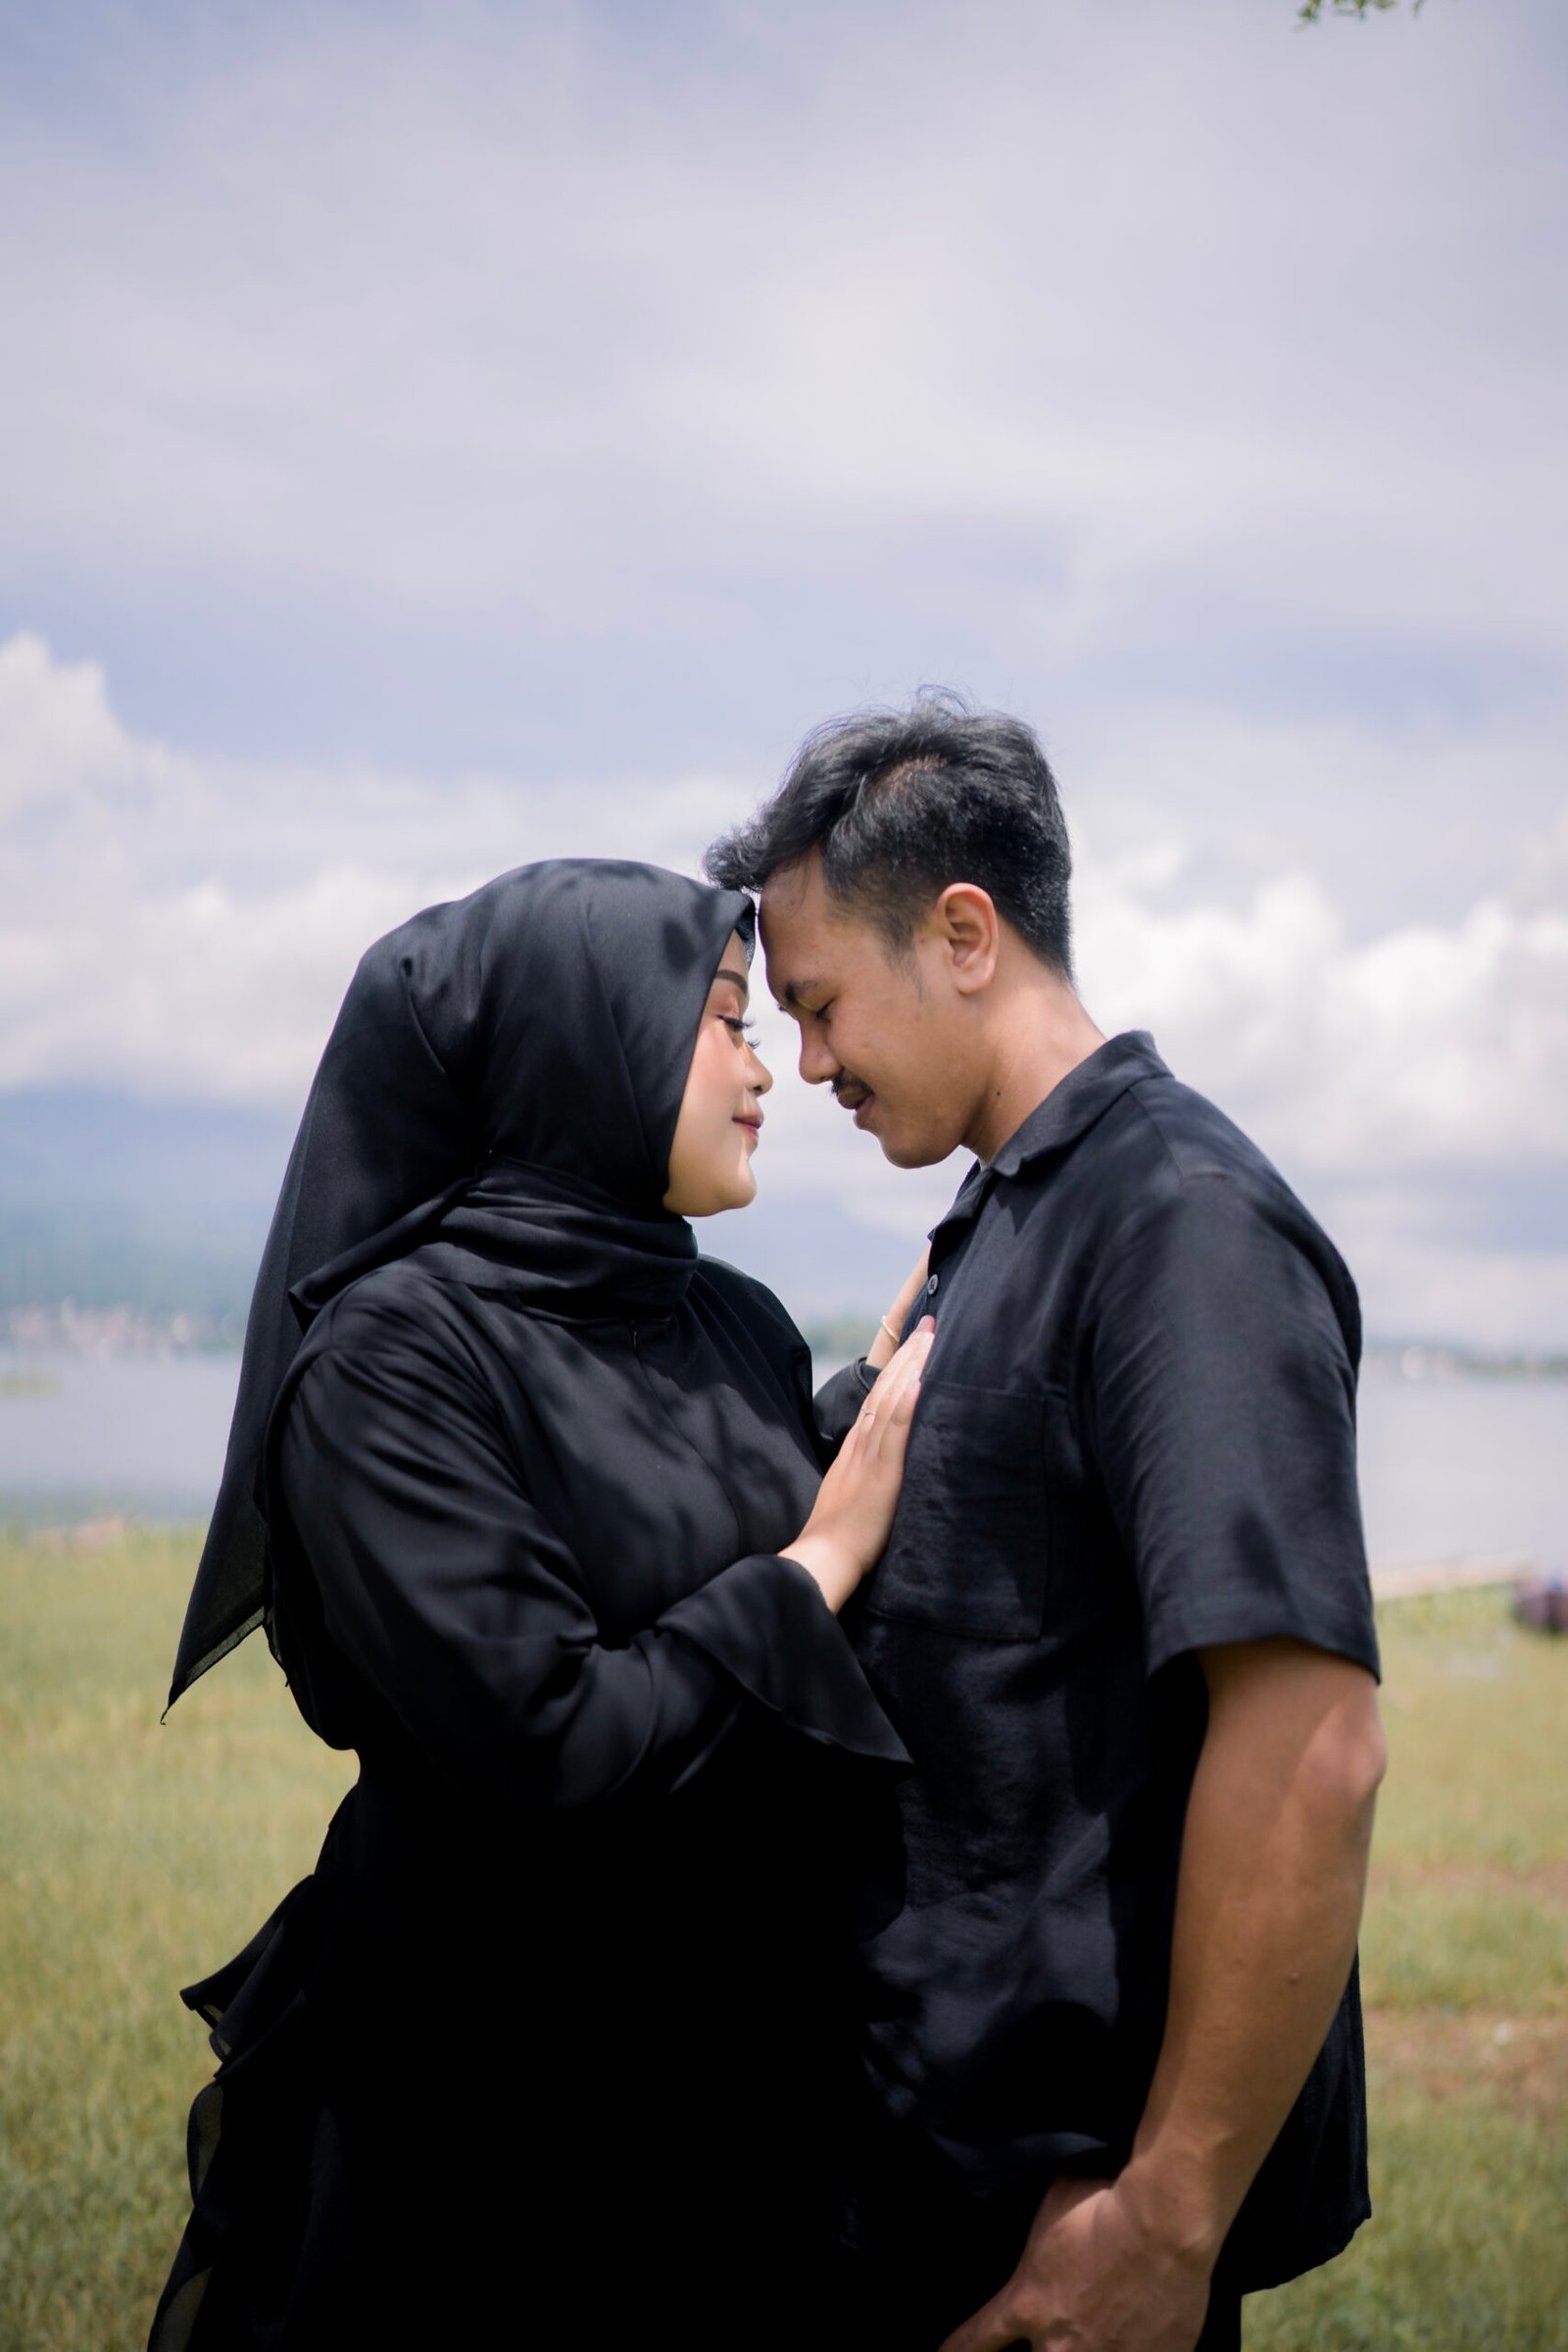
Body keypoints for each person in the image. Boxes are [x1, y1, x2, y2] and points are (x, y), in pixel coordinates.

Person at [148, 857, 933, 2352]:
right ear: (593, 1042)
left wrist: (861, 1421)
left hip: (732, 2090)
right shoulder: (392, 1360)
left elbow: (700, 1515)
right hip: (482, 2109)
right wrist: (816, 1569)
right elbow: (551, 1735)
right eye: (724, 1020)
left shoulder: (731, 1319)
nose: (766, 1068)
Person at [706, 697, 1388, 2352]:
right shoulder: (1005, 1211)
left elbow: (1312, 1745)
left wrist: (1170, 2216)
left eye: (820, 1006)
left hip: (1057, 2237)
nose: (809, 1065)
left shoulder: (1179, 1226)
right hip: (910, 2185)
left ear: (963, 935)